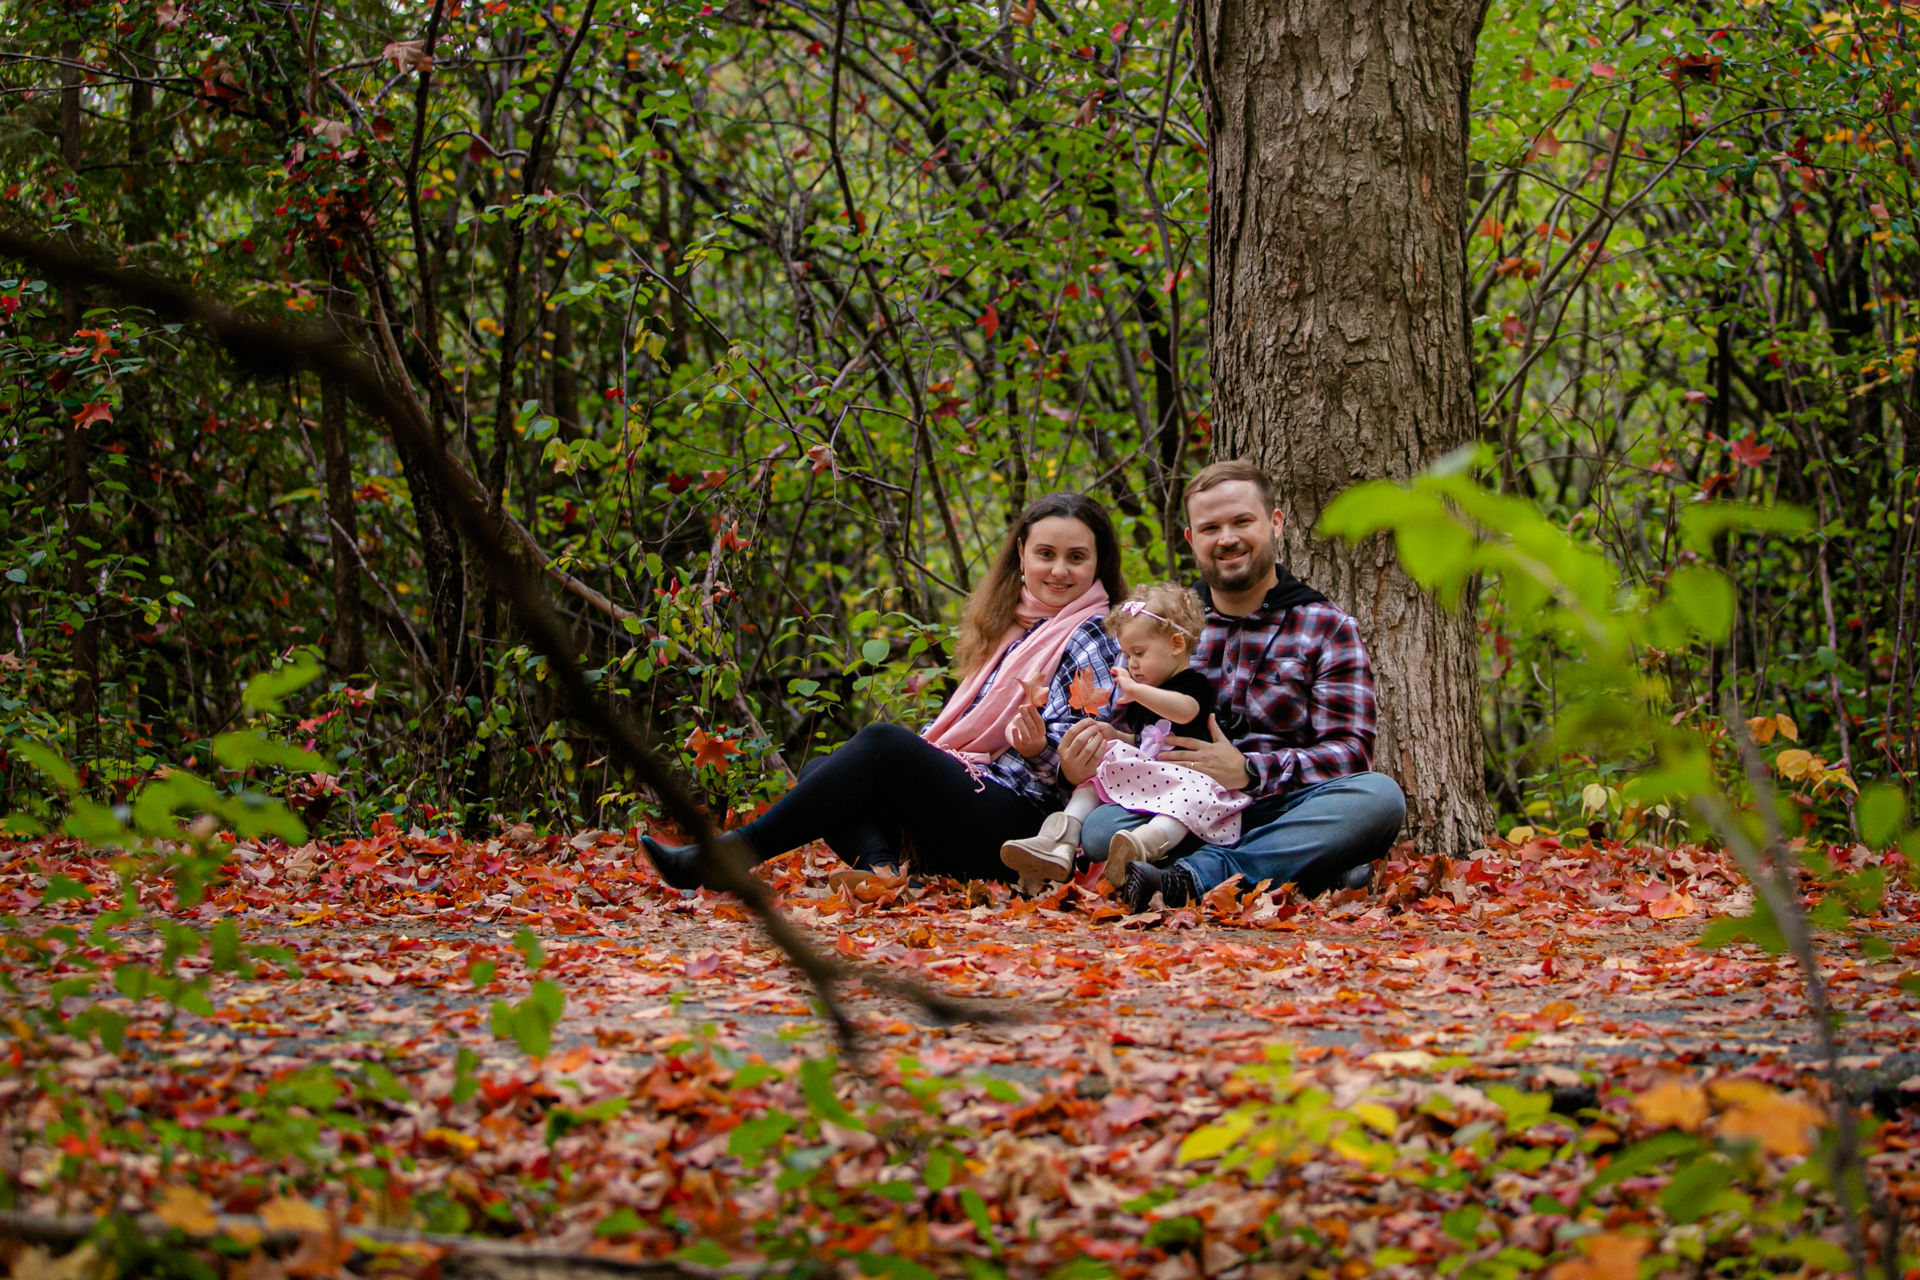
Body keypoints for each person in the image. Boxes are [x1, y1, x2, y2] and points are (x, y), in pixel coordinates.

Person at [640, 492, 1125, 888]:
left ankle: (730, 855)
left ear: (1098, 565)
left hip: (1030, 830)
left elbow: (1085, 753)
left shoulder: (1092, 632)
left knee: (880, 745)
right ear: (1021, 555)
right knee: (822, 772)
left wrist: (1042, 747)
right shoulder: (1013, 626)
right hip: (977, 802)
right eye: (1046, 554)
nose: (1059, 570)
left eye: (1076, 558)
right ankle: (885, 874)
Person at [1060, 460, 1407, 913]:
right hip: (1178, 803)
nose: (1227, 539)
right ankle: (1308, 871)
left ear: (1275, 523)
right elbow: (1135, 729)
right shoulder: (1164, 627)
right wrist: (1095, 751)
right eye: (1210, 528)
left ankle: (1197, 877)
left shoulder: (1327, 627)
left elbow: (1350, 752)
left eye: (1242, 521)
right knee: (1102, 830)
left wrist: (1248, 770)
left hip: (1279, 804)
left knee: (1379, 799)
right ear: (1191, 539)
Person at [998, 582, 1252, 890]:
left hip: (1188, 777)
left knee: (1187, 806)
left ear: (1175, 644)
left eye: (1139, 653)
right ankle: (1059, 839)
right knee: (1099, 773)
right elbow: (1146, 739)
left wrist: (1137, 691)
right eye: (1127, 654)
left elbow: (1185, 712)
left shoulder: (1190, 684)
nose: (1131, 664)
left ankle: (1141, 847)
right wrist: (1116, 734)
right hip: (1154, 773)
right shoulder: (1148, 695)